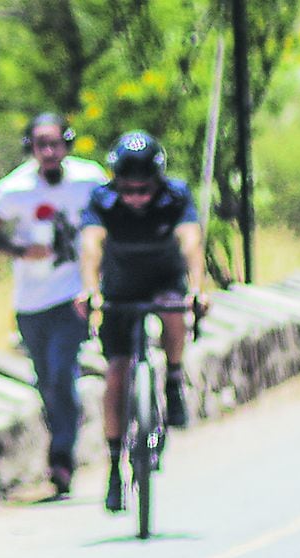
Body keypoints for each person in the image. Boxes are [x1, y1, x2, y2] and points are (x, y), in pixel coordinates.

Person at [75, 131, 208, 512]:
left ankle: (173, 379)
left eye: (144, 189)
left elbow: (191, 245)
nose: (135, 197)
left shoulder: (176, 196)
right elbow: (90, 248)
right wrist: (89, 291)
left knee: (173, 309)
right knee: (115, 373)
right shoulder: (101, 200)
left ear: (158, 181)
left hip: (164, 280)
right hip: (120, 288)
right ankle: (115, 466)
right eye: (128, 189)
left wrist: (197, 290)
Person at [0, 113, 108, 496]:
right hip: (32, 302)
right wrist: (20, 250)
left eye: (55, 143)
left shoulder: (90, 179)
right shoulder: (15, 188)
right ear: (30, 149)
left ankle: (62, 459)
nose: (49, 152)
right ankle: (62, 440)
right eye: (40, 145)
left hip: (73, 295)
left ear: (67, 144)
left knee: (63, 371)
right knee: (47, 382)